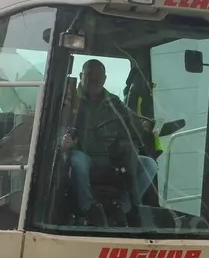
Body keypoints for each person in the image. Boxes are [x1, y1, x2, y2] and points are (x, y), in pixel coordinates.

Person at [62, 59, 158, 222]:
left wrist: (145, 124)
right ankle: (88, 209)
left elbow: (132, 119)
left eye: (98, 77)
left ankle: (122, 207)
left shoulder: (113, 102)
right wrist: (63, 142)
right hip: (85, 157)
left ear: (105, 79)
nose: (94, 80)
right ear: (80, 76)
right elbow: (58, 127)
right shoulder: (70, 101)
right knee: (78, 161)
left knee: (149, 164)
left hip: (111, 159)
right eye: (89, 75)